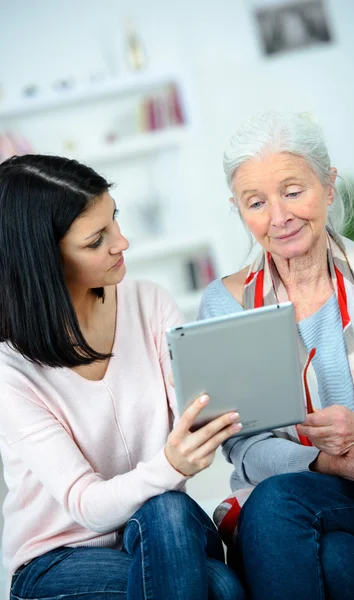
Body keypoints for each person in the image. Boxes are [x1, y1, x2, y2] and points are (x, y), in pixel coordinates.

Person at [0, 154, 246, 600]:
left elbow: (191, 410)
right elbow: (87, 506)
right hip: (58, 556)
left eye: (115, 220)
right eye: (97, 241)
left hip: (165, 528)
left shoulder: (148, 303)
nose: (122, 242)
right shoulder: (11, 372)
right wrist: (171, 465)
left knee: (167, 509)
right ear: (45, 262)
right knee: (222, 587)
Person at [199, 111, 354, 599]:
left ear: (329, 186)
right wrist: (332, 463)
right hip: (311, 496)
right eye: (256, 202)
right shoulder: (224, 305)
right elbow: (243, 445)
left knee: (274, 505)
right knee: (339, 561)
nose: (279, 217)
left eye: (293, 191)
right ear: (238, 210)